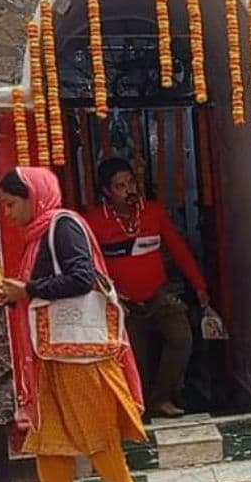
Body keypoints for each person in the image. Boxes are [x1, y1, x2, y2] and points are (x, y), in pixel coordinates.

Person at [0, 168, 145, 482]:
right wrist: (8, 295)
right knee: (48, 434)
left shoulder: (63, 226)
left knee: (96, 427)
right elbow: (40, 291)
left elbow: (81, 279)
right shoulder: (38, 234)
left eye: (11, 204)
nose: (8, 213)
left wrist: (28, 289)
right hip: (51, 353)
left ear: (33, 197)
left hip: (79, 355)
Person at [85, 158, 210, 419]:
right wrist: (108, 296)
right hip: (124, 304)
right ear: (107, 191)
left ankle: (160, 399)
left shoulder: (153, 212)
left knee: (181, 339)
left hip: (159, 294)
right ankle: (140, 406)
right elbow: (90, 265)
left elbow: (178, 250)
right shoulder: (94, 222)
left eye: (131, 183)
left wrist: (199, 285)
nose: (128, 190)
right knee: (137, 361)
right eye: (120, 186)